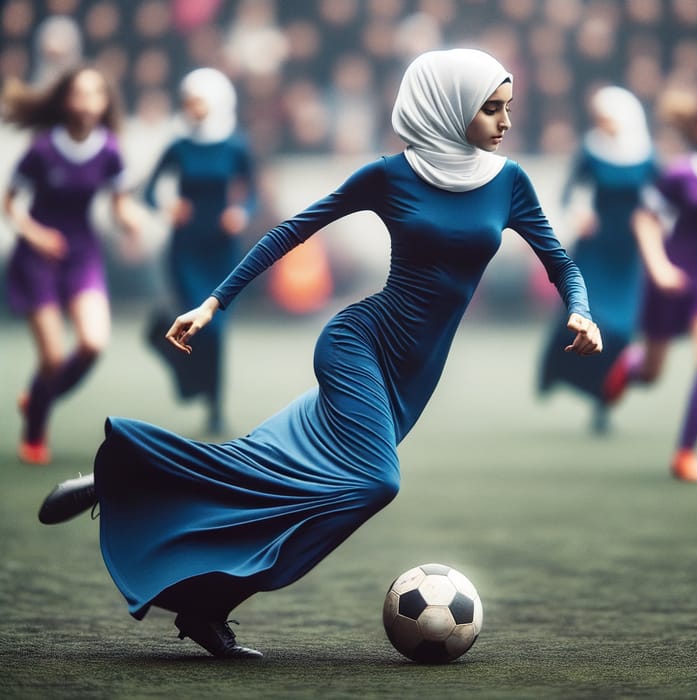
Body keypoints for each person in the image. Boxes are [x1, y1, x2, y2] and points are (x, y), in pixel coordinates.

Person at [37, 49, 602, 659]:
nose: (505, 121)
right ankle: (176, 547)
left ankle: (153, 516)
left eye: (508, 108)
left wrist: (580, 306)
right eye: (491, 109)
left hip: (414, 376)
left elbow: (561, 260)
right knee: (373, 483)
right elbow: (292, 230)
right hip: (359, 342)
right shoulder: (390, 175)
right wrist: (213, 304)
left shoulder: (508, 181)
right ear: (447, 108)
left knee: (288, 474)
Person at [2, 65, 142, 465]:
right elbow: (9, 203)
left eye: (95, 94)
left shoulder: (110, 149)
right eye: (78, 94)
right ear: (66, 101)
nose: (86, 103)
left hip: (83, 254)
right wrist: (35, 235)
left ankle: (38, 398)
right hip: (37, 259)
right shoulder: (42, 149)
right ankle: (34, 432)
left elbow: (120, 204)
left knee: (93, 343)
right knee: (50, 356)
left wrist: (131, 222)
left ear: (104, 102)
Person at [142, 68, 257, 435]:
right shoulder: (178, 145)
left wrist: (241, 212)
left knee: (217, 330)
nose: (192, 108)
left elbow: (253, 191)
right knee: (201, 326)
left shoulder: (236, 144)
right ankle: (190, 379)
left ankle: (213, 407)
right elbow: (148, 191)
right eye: (188, 101)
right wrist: (167, 207)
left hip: (223, 251)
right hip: (186, 249)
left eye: (199, 101)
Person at [538, 86, 657, 434]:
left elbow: (663, 197)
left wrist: (654, 224)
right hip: (595, 250)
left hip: (628, 254)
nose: (603, 126)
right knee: (585, 319)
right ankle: (558, 369)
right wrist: (578, 214)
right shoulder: (591, 150)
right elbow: (567, 194)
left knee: (620, 331)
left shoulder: (645, 154)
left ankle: (603, 401)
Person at [603, 89, 697, 481]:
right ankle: (632, 365)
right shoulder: (680, 173)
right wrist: (658, 267)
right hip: (676, 276)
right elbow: (644, 220)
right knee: (653, 373)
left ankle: (683, 454)